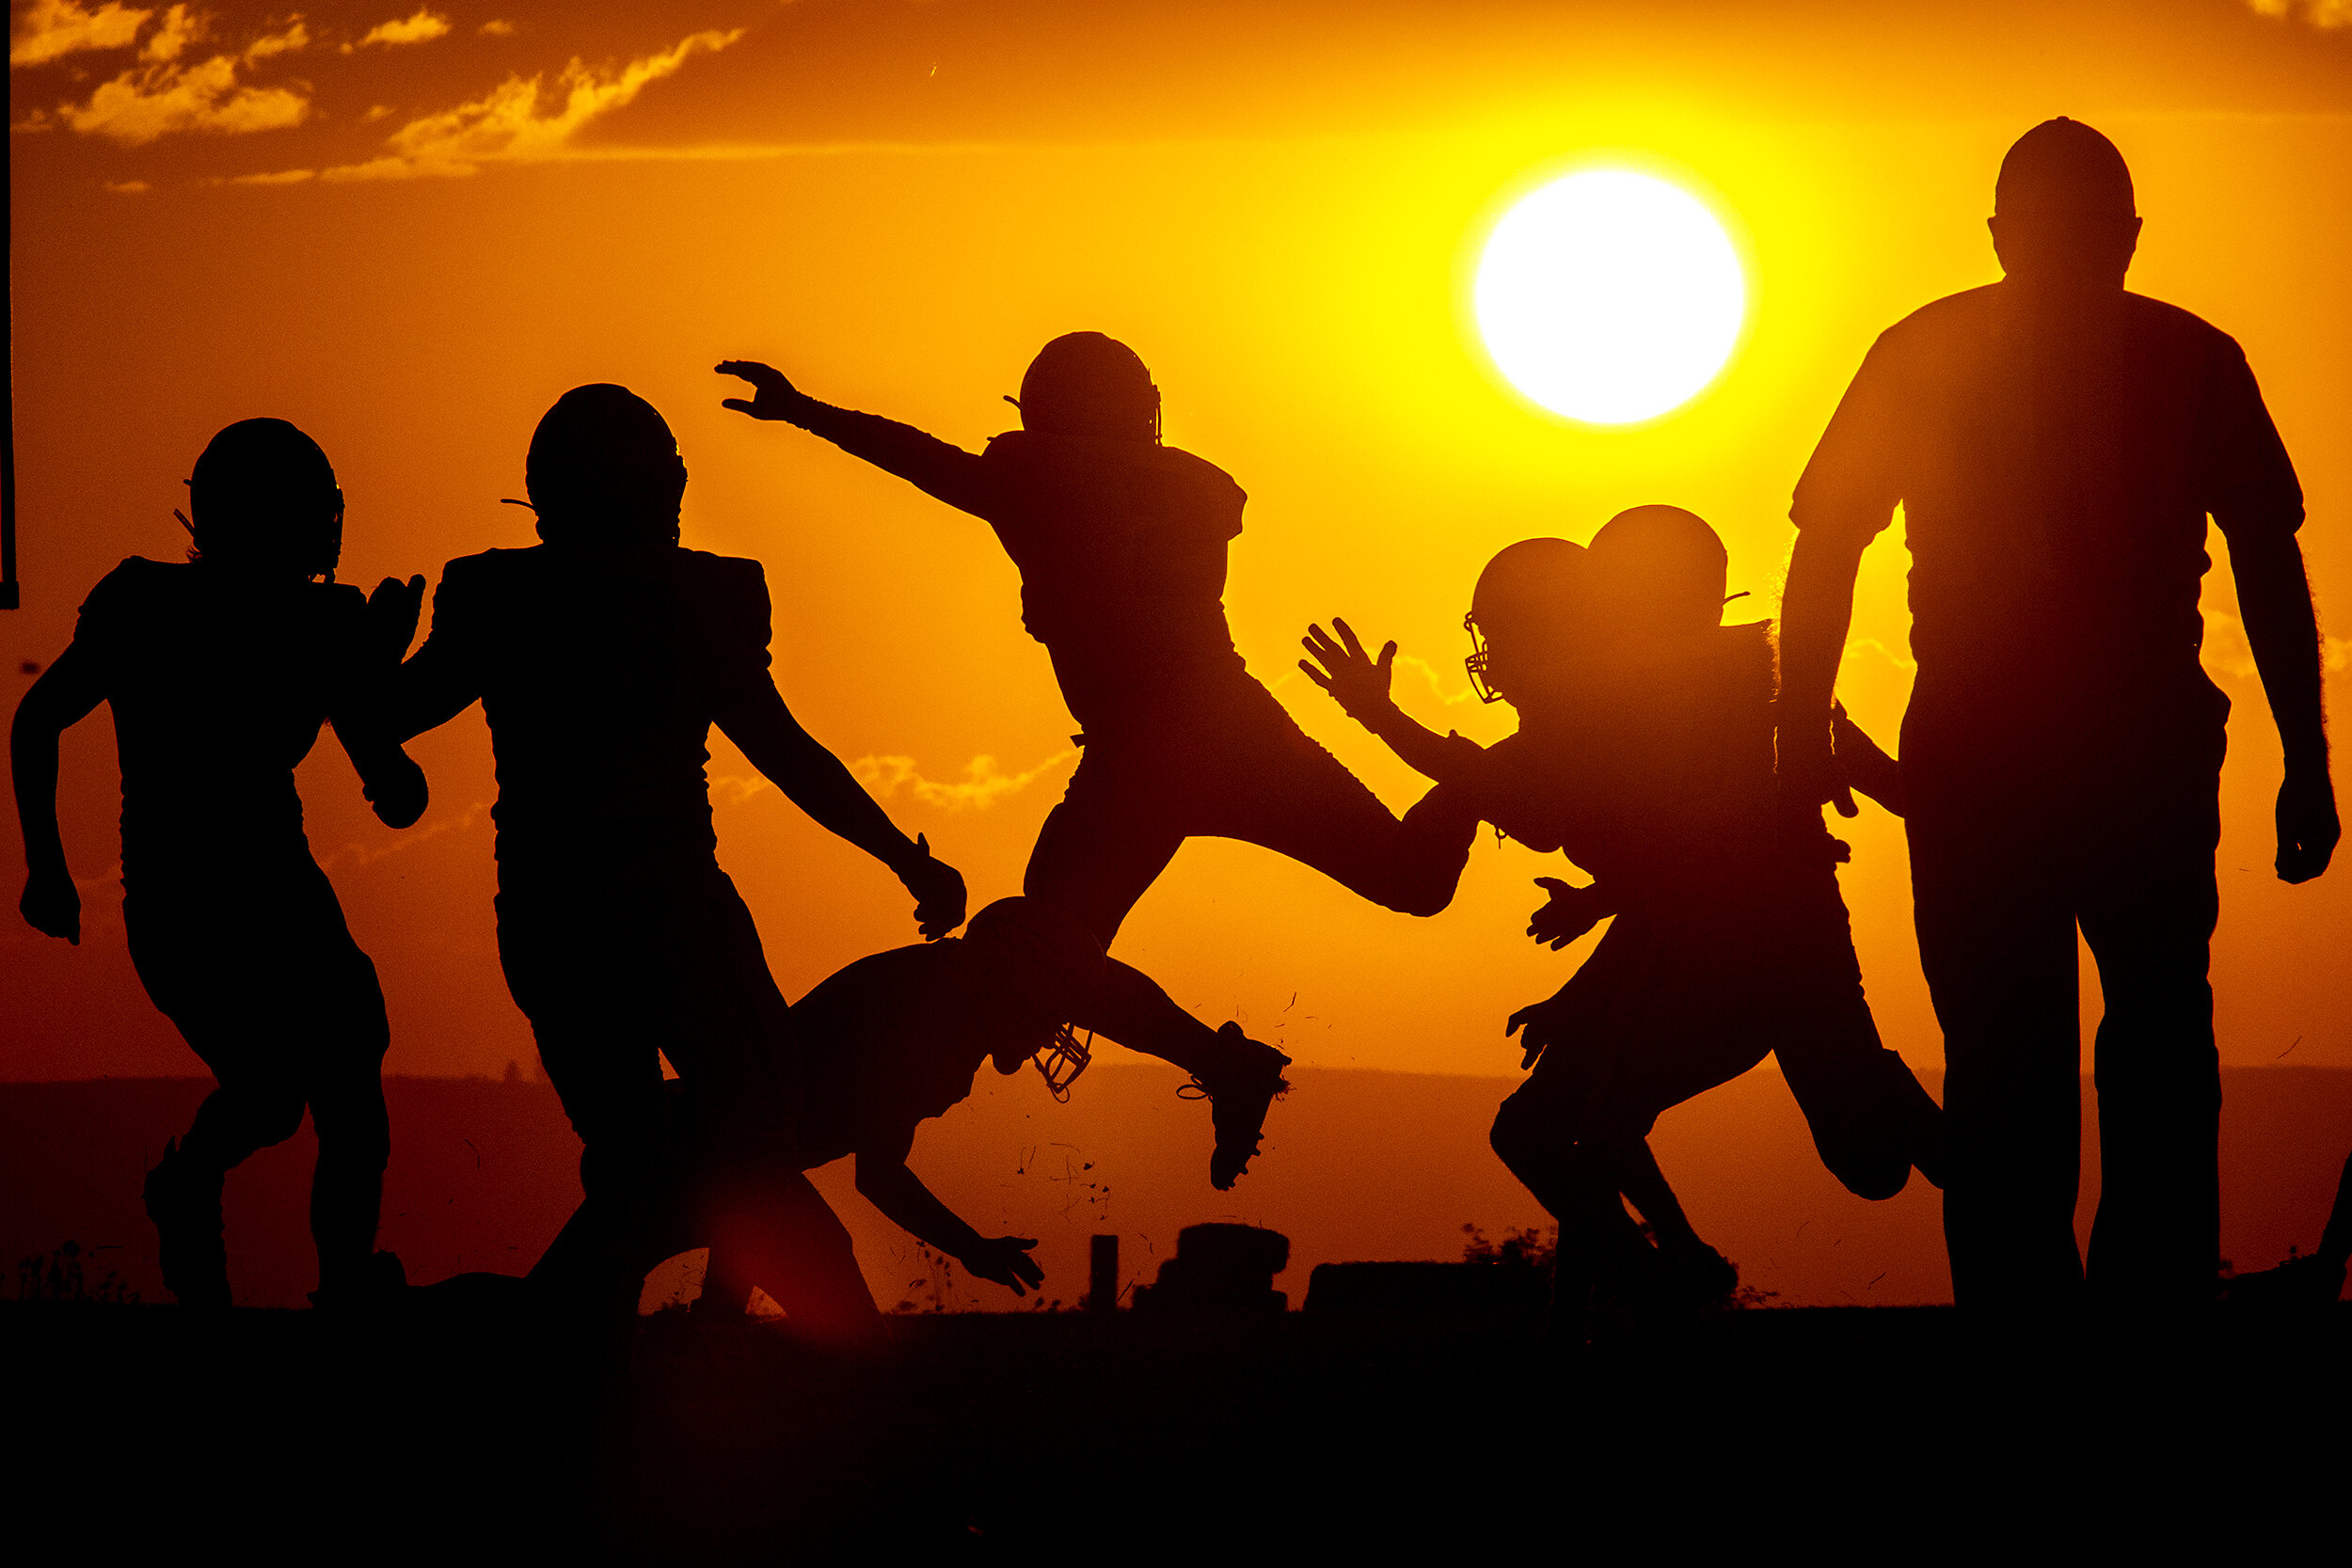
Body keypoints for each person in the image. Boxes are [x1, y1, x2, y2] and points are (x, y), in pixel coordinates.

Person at [1779, 119, 2338, 1310]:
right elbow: (2267, 564)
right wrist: (2303, 758)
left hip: (2036, 756)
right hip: (2080, 755)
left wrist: (1794, 740)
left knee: (2038, 1051)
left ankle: (2054, 1316)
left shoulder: (1939, 351)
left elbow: (1828, 542)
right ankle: (2121, 1311)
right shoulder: (2184, 357)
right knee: (2134, 1044)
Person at [717, 337, 1477, 1188]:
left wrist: (804, 411)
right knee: (1412, 881)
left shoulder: (1036, 479)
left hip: (1140, 756)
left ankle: (1221, 1061)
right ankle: (1479, 780)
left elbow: (930, 464)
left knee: (1037, 959)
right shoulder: (1194, 488)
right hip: (1231, 729)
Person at [387, 384, 968, 1320]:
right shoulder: (693, 593)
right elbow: (782, 750)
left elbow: (387, 718)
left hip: (544, 908)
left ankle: (540, 1338)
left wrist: (357, 668)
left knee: (632, 1163)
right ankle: (802, 1341)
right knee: (760, 1120)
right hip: (666, 895)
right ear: (653, 483)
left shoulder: (499, 593)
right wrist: (905, 856)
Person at [1302, 508, 1944, 1338]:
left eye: (1510, 630)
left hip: (1724, 953)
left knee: (1589, 1129)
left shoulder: (1622, 703)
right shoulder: (1718, 685)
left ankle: (1659, 1279)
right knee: (1848, 1155)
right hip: (1735, 939)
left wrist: (1379, 718)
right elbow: (1671, 840)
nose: (1499, 655)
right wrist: (1601, 911)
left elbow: (1536, 794)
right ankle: (1653, 1278)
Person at [12, 419, 425, 1309]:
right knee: (280, 1092)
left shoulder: (314, 623)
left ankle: (340, 1286)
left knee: (347, 1080)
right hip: (186, 905)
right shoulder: (155, 609)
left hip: (275, 895)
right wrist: (44, 866)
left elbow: (393, 790)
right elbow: (367, 777)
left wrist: (371, 675)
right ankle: (195, 1188)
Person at [611, 895, 1105, 1335]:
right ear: (1009, 989)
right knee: (851, 1345)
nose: (1052, 1031)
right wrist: (971, 1247)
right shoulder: (922, 1029)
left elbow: (828, 1169)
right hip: (701, 1164)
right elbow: (871, 1176)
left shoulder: (930, 996)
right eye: (1049, 1009)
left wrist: (971, 1247)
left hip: (701, 1156)